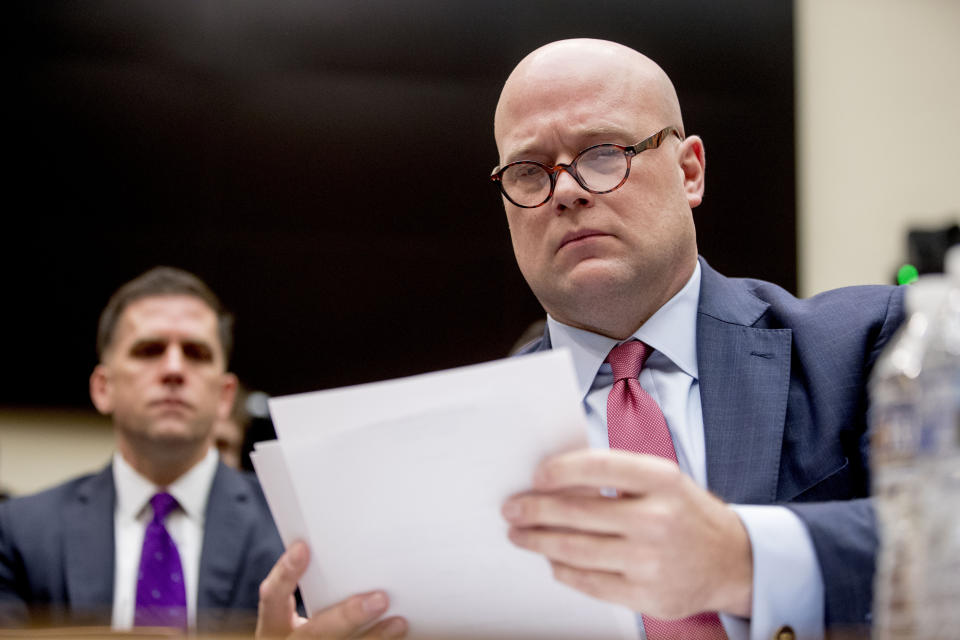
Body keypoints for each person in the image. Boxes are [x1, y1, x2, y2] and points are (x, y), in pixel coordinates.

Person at [256, 39, 904, 639]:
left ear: (689, 172)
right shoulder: (436, 452)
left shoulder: (869, 346)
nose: (565, 191)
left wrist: (744, 557)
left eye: (603, 154)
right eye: (530, 172)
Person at [0, 266, 286, 633]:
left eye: (196, 353)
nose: (173, 369)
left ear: (224, 397)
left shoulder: (289, 529)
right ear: (103, 387)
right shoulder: (20, 533)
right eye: (149, 350)